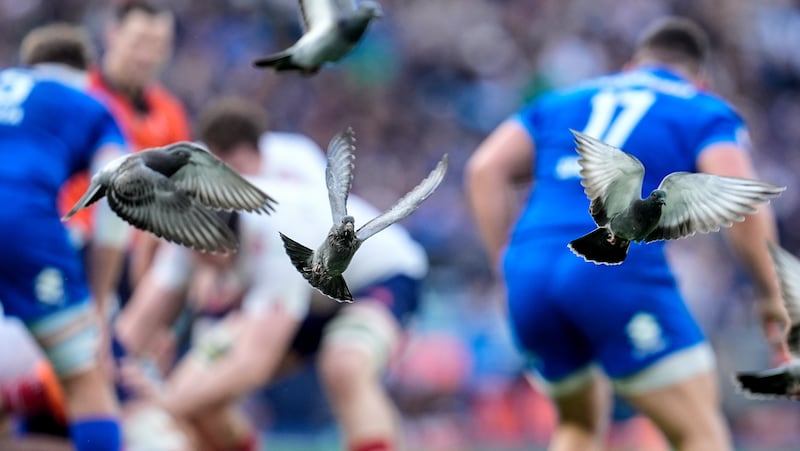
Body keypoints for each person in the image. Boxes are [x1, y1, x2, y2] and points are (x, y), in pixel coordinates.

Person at [465, 16, 789, 451]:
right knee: (697, 430)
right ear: (701, 77)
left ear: (631, 65)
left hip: (531, 269)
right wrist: (772, 293)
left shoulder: (561, 99)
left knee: (578, 426)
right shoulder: (702, 108)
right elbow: (741, 197)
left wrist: (506, 265)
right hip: (613, 271)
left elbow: (485, 169)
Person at [115, 97, 429, 451]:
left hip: (377, 277)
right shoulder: (191, 236)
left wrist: (159, 407)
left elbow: (254, 364)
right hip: (302, 295)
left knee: (345, 365)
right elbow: (137, 324)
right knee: (198, 395)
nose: (196, 261)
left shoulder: (277, 235)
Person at [0, 23, 132, 450]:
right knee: (84, 380)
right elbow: (117, 196)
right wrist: (99, 297)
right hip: (23, 225)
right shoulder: (92, 105)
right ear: (89, 71)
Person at [59, 0, 191, 292]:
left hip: (138, 262)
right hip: (75, 245)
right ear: (112, 35)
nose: (148, 55)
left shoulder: (171, 114)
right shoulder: (77, 96)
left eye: (159, 45)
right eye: (140, 42)